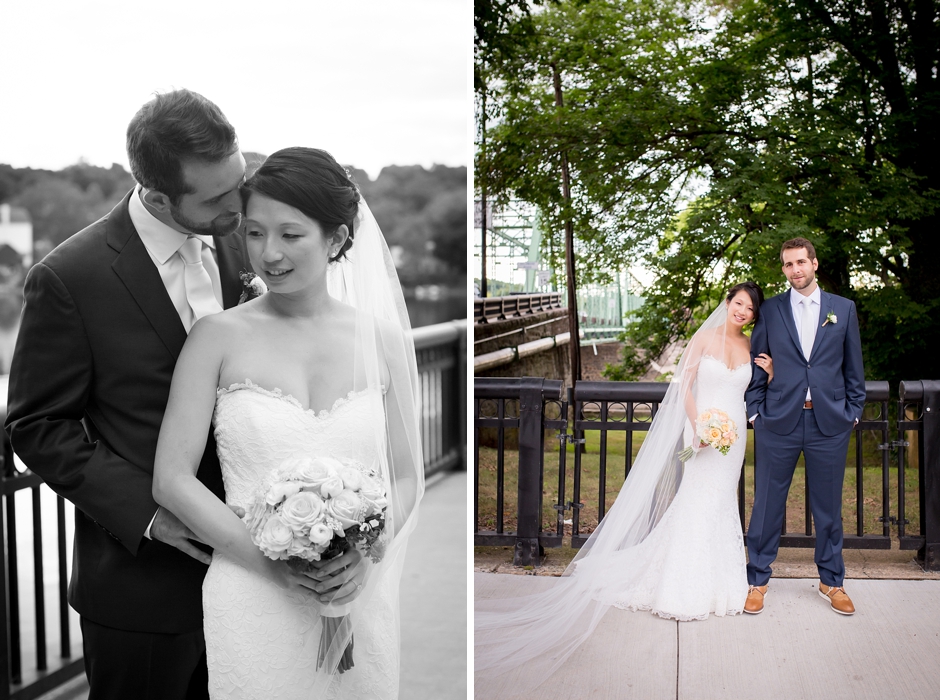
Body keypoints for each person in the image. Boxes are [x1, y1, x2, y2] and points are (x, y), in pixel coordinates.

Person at [151, 147, 424, 699]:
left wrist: (362, 556)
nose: (268, 254)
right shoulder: (216, 337)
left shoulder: (383, 342)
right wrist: (271, 562)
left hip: (357, 589)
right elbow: (171, 479)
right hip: (249, 589)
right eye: (253, 233)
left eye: (290, 235)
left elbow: (405, 472)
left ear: (338, 240)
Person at [5, 89, 249, 699]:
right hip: (143, 595)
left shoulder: (247, 238)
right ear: (160, 197)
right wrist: (150, 516)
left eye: (238, 181)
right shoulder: (69, 277)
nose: (238, 206)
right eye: (217, 197)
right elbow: (36, 425)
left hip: (257, 575)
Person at [475, 282, 770, 695]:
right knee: (696, 499)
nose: (742, 311)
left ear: (755, 314)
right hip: (701, 430)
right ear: (728, 304)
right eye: (738, 303)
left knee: (721, 503)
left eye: (750, 307)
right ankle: (680, 584)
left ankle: (721, 582)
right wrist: (699, 426)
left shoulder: (753, 345)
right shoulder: (703, 338)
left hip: (734, 437)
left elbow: (754, 392)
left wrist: (768, 374)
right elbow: (684, 387)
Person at [744, 237, 865, 616]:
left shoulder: (842, 310)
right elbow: (755, 364)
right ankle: (757, 580)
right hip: (778, 421)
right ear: (783, 269)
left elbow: (853, 368)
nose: (794, 270)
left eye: (800, 262)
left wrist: (853, 411)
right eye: (787, 264)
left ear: (814, 263)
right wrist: (755, 413)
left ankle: (832, 581)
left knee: (828, 507)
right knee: (766, 504)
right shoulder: (771, 310)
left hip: (828, 422)